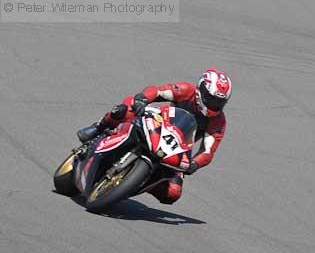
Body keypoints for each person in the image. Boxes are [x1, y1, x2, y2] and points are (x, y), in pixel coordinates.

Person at [77, 70, 232, 204]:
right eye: (212, 99)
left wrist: (194, 164)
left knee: (172, 193)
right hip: (159, 124)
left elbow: (208, 151)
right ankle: (99, 127)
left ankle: (132, 184)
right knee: (127, 107)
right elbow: (158, 91)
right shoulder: (186, 90)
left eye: (219, 102)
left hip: (177, 148)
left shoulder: (218, 121)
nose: (215, 105)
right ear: (201, 91)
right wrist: (142, 99)